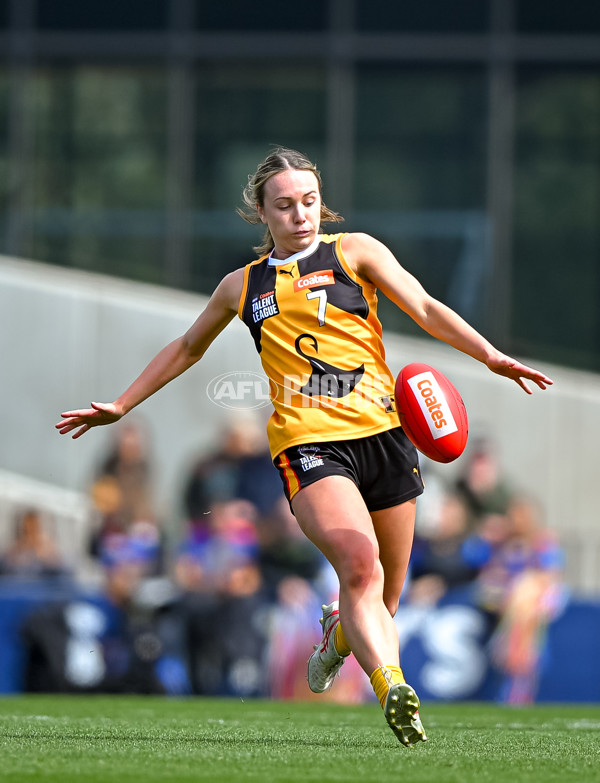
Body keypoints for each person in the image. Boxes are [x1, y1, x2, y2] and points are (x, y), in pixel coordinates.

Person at [56, 147, 552, 747]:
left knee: (386, 594)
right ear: (261, 213)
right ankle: (393, 685)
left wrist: (490, 356)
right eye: (285, 205)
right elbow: (188, 348)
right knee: (359, 565)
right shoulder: (242, 286)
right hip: (310, 445)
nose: (301, 215)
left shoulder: (356, 252)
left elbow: (423, 307)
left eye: (310, 202)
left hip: (386, 438)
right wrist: (122, 404)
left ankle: (336, 637)